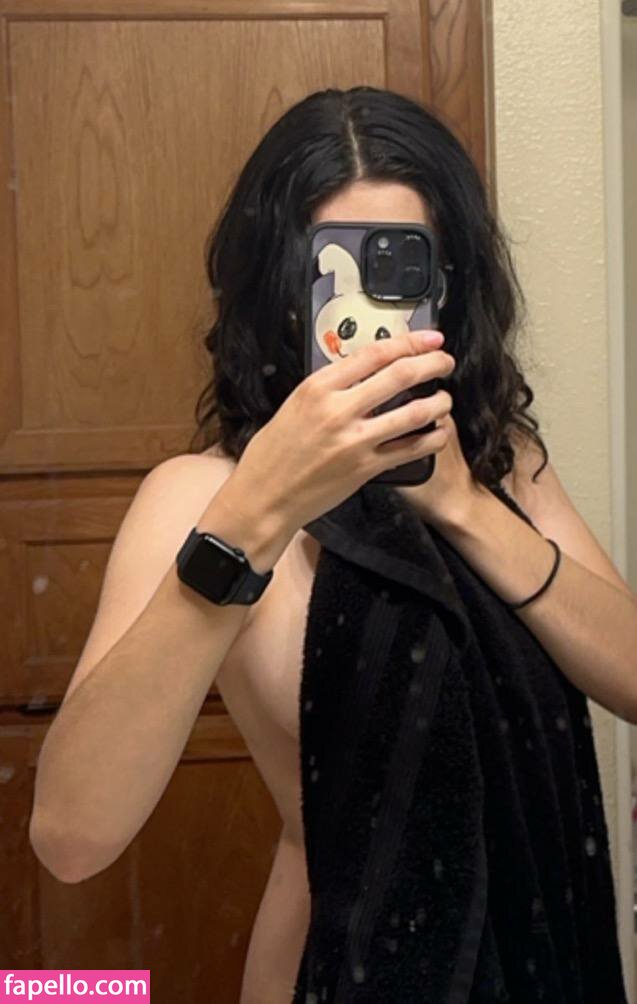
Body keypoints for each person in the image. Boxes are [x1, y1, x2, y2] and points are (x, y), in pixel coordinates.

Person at [29, 87, 636, 1003]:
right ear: (281, 291)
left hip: (541, 956)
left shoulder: (502, 464)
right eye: (331, 270)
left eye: (402, 268)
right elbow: (72, 836)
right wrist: (259, 511)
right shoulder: (202, 498)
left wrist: (465, 508)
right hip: (336, 970)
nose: (370, 316)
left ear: (449, 285)